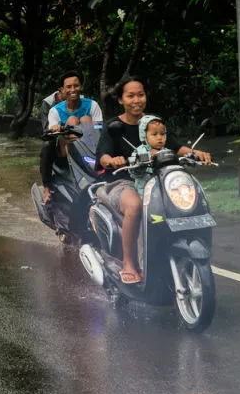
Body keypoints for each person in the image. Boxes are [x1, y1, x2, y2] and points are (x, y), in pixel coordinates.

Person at [95, 77, 212, 285]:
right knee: (135, 206)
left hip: (157, 180)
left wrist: (196, 153)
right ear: (121, 100)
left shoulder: (154, 123)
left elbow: (176, 146)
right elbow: (102, 156)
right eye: (130, 96)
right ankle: (129, 263)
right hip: (123, 182)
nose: (136, 100)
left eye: (140, 94)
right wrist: (113, 160)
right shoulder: (114, 127)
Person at [41, 71, 103, 203]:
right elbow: (52, 130)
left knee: (86, 119)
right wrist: (56, 128)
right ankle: (47, 187)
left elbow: (99, 129)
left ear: (81, 87)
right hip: (65, 148)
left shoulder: (93, 105)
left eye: (76, 86)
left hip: (89, 147)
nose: (73, 90)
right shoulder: (55, 111)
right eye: (68, 87)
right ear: (62, 90)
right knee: (72, 120)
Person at [132, 115, 166, 195]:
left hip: (164, 188)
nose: (159, 137)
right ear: (144, 136)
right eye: (154, 134)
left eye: (162, 134)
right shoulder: (139, 151)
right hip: (144, 191)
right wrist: (146, 158)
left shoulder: (166, 151)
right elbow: (134, 172)